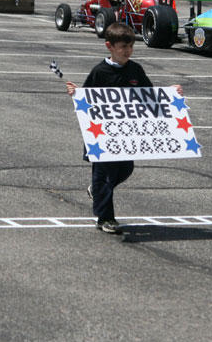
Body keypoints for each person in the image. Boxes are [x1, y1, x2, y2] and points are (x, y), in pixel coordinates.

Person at [64, 22, 183, 234]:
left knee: (126, 169)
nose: (127, 51)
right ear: (109, 46)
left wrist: (170, 92)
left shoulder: (135, 69)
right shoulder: (99, 72)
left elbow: (150, 94)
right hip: (102, 135)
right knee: (105, 176)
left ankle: (98, 191)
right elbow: (88, 98)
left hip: (126, 135)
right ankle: (105, 218)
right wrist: (76, 93)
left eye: (130, 47)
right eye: (123, 47)